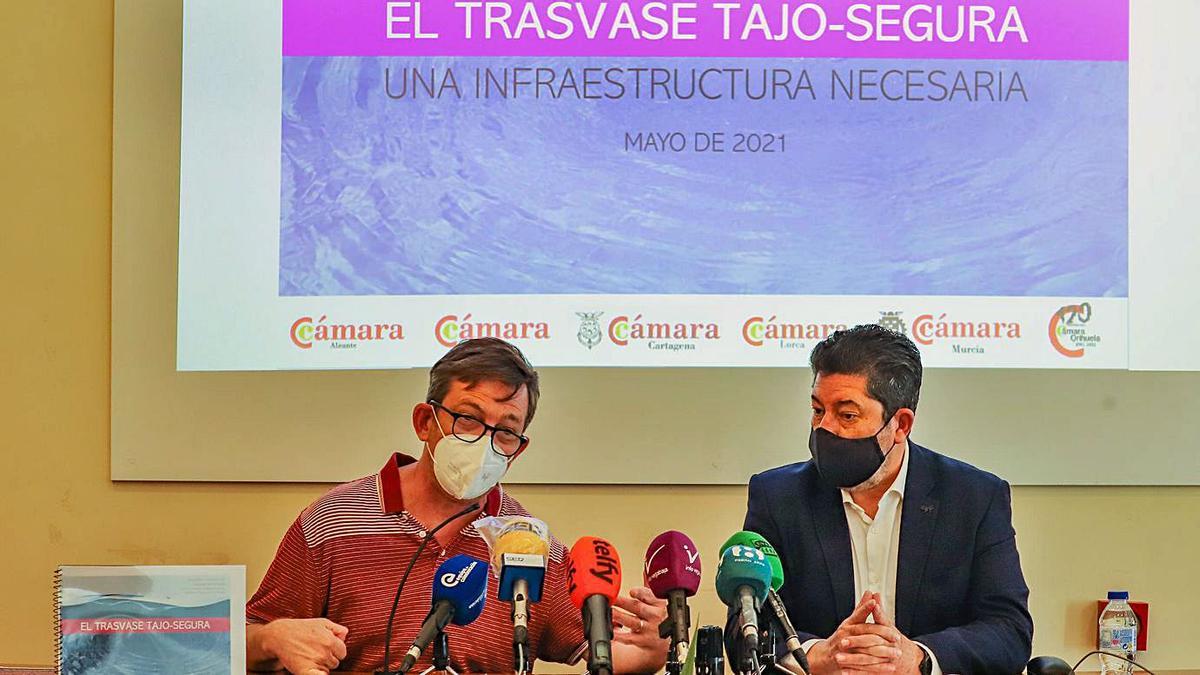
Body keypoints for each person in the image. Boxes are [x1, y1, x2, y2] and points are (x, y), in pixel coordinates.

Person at [246, 337, 668, 674]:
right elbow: (242, 643)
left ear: (517, 451)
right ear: (425, 423)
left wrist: (651, 651)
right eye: (468, 418)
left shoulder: (529, 545)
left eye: (505, 431)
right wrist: (273, 638)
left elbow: (600, 651)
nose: (485, 443)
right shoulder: (332, 522)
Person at [740, 324, 1033, 675]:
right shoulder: (778, 497)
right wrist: (819, 654)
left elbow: (1008, 630)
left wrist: (919, 658)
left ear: (901, 425)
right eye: (818, 410)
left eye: (847, 415)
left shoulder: (973, 498)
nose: (824, 428)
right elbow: (745, 626)